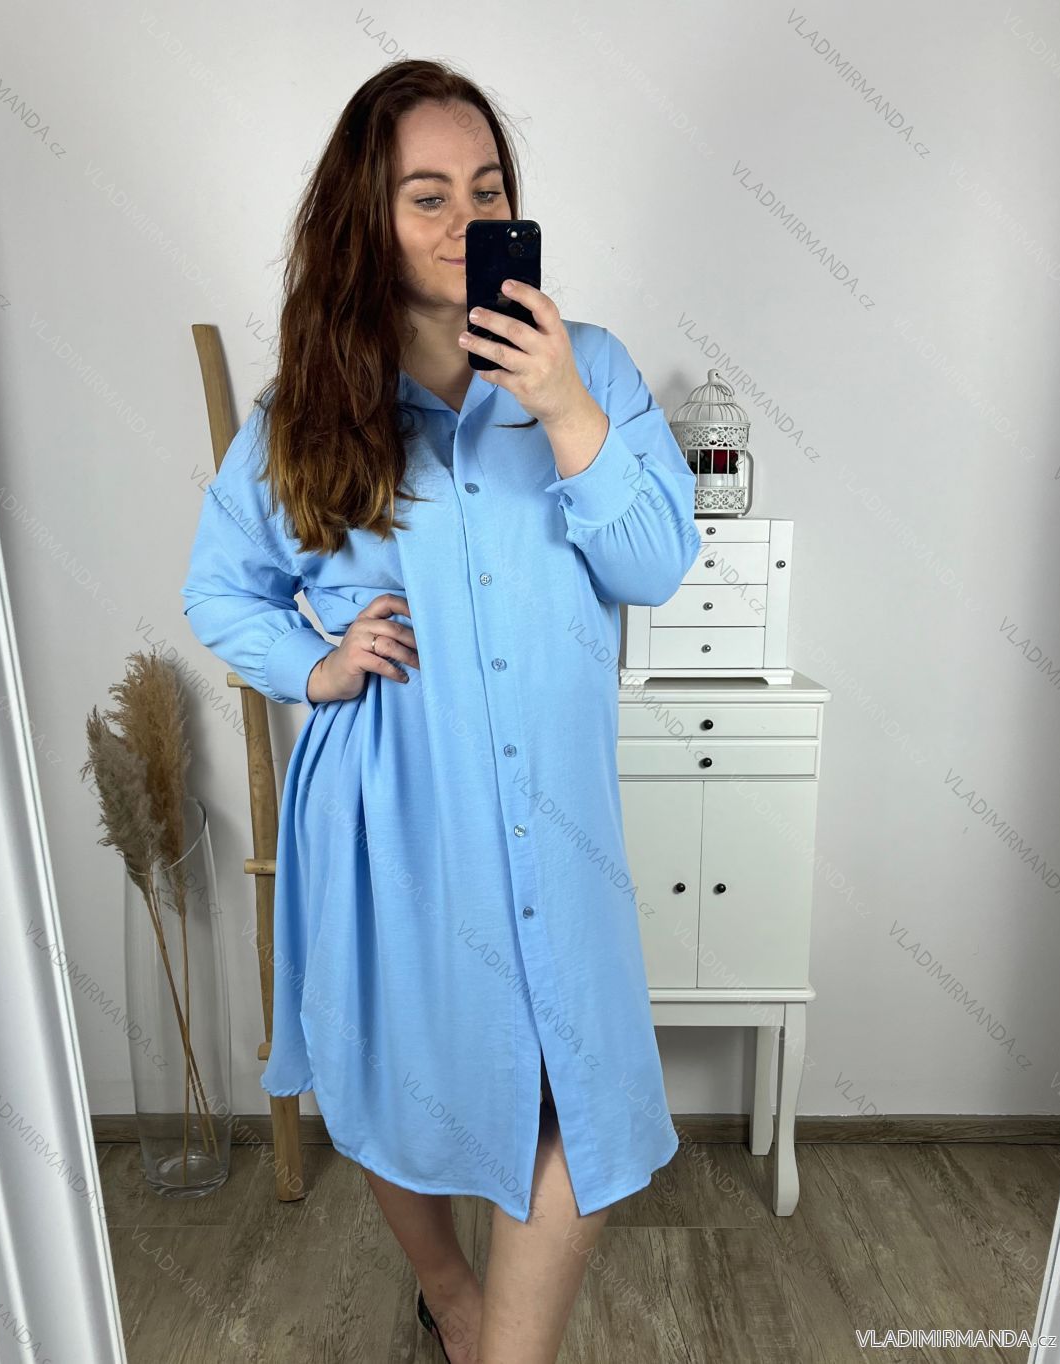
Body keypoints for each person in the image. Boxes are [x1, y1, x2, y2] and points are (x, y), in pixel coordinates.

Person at [181, 57, 700, 1364]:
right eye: (427, 195)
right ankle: (453, 1298)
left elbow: (654, 565)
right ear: (366, 215)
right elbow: (220, 589)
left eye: (487, 190)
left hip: (552, 812)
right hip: (387, 812)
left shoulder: (588, 368)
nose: (466, 219)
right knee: (389, 1069)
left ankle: (500, 1344)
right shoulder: (306, 412)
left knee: (571, 1084)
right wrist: (316, 665)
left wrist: (565, 412)